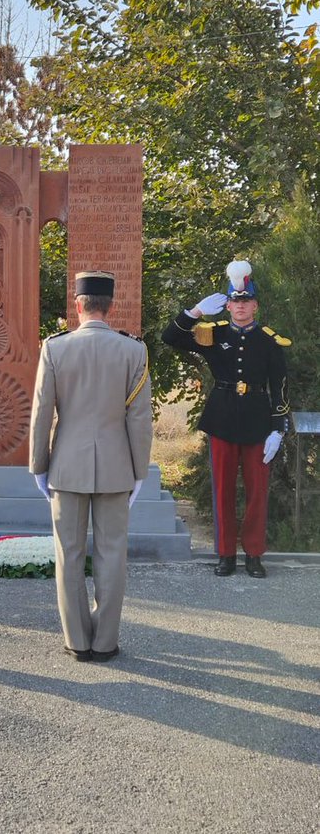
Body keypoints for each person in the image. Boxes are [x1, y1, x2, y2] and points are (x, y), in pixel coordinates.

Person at [29, 271, 153, 663]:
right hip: (118, 466)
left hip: (67, 465)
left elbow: (41, 413)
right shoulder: (133, 351)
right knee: (112, 553)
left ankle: (77, 641)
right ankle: (105, 642)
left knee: (68, 552)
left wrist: (38, 464)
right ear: (110, 305)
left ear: (78, 304)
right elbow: (139, 419)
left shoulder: (55, 348)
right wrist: (139, 471)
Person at [161, 260, 290, 578]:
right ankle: (226, 554)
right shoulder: (211, 335)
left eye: (246, 301)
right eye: (235, 300)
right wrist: (194, 313)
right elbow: (170, 338)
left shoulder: (271, 342)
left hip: (259, 422)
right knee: (223, 489)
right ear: (228, 304)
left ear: (255, 305)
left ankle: (254, 554)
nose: (240, 306)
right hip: (221, 419)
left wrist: (278, 429)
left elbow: (281, 389)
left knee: (258, 491)